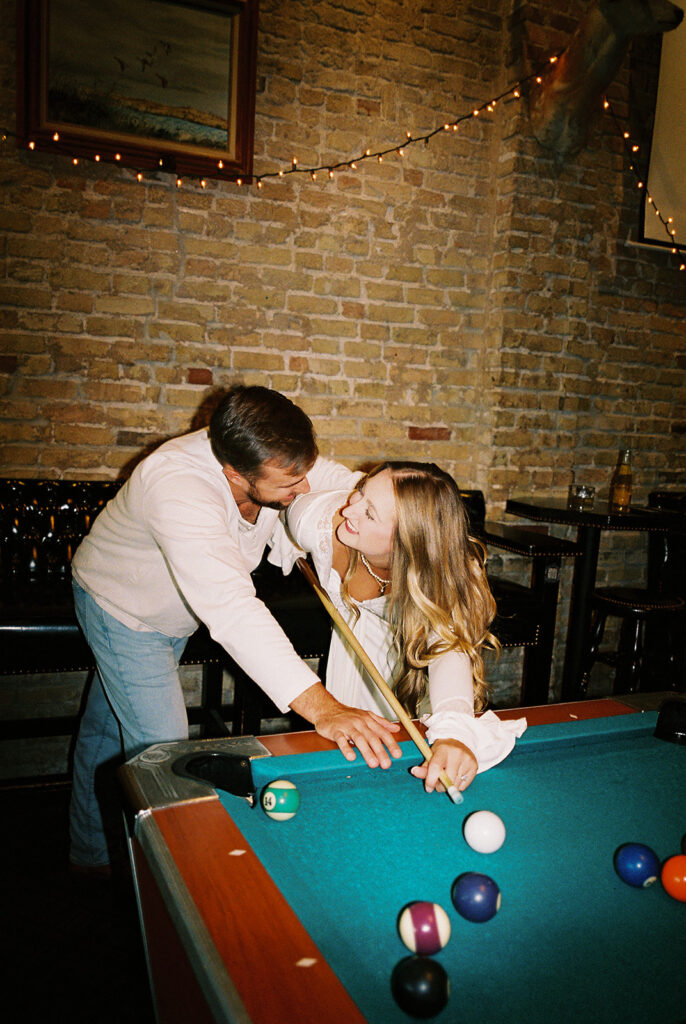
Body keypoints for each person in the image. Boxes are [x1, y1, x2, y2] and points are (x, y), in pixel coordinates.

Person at [69, 385, 403, 873]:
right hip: (123, 608)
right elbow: (230, 608)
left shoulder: (271, 461)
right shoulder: (177, 483)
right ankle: (173, 889)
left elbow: (352, 487)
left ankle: (89, 856)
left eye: (303, 473)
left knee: (104, 733)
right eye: (290, 485)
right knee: (163, 748)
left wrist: (405, 516)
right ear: (233, 473)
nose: (304, 490)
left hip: (173, 608)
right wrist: (324, 709)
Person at [286, 461, 527, 795]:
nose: (350, 510)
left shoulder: (442, 571)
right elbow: (294, 485)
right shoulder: (315, 524)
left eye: (369, 513)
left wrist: (454, 735)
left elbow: (448, 650)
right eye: (361, 493)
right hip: (356, 640)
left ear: (407, 543)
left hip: (410, 639)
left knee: (429, 725)